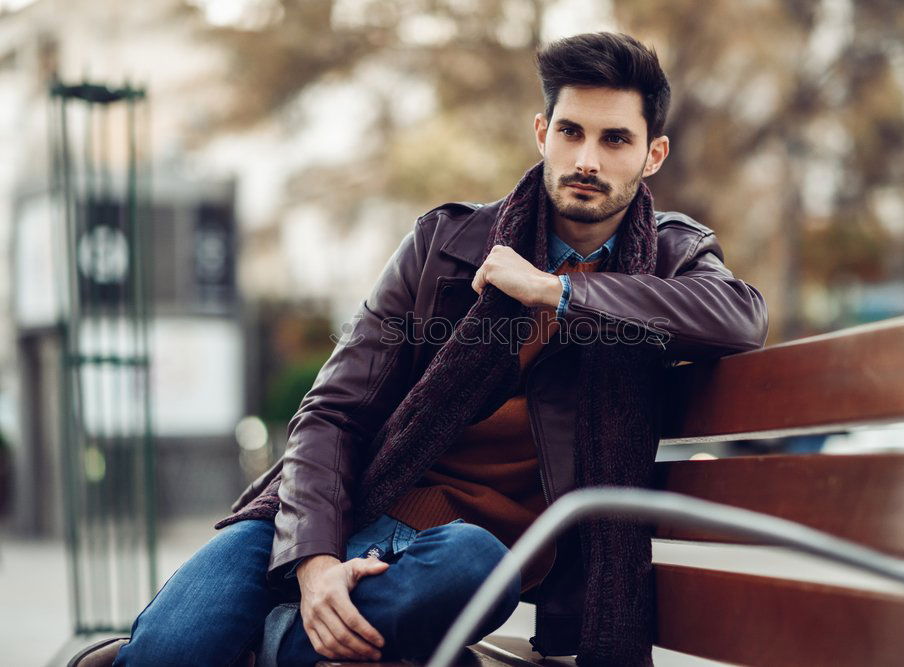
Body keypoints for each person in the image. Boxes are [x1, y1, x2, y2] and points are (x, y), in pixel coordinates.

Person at [78, 31, 767, 667]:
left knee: (475, 562)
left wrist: (554, 293)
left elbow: (742, 318)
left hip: (451, 560)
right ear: (541, 133)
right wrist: (316, 562)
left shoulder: (673, 255)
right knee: (174, 648)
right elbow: (331, 413)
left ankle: (275, 642)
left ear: (654, 154)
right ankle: (282, 628)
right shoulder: (446, 243)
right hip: (340, 508)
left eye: (615, 139)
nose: (587, 159)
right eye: (571, 132)